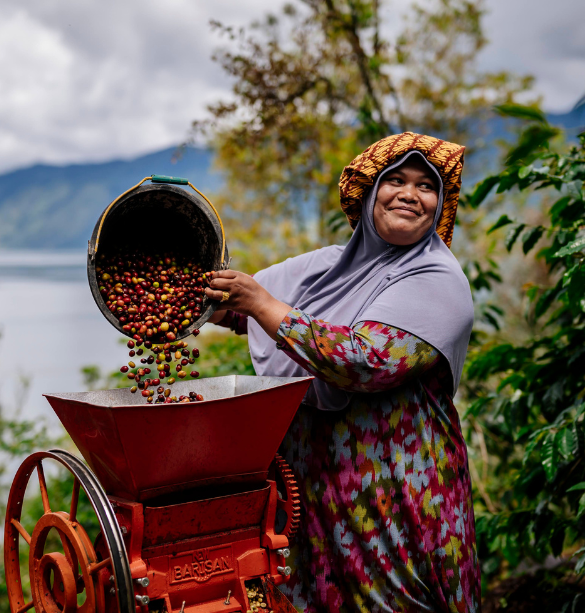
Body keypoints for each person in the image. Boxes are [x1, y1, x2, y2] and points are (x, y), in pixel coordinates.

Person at [205, 132, 480, 612]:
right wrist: (199, 298)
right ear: (371, 191)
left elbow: (362, 362)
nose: (410, 195)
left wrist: (264, 305)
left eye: (426, 186)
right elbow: (244, 309)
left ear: (441, 205)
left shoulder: (439, 281)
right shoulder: (331, 265)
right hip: (312, 489)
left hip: (394, 496)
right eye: (395, 180)